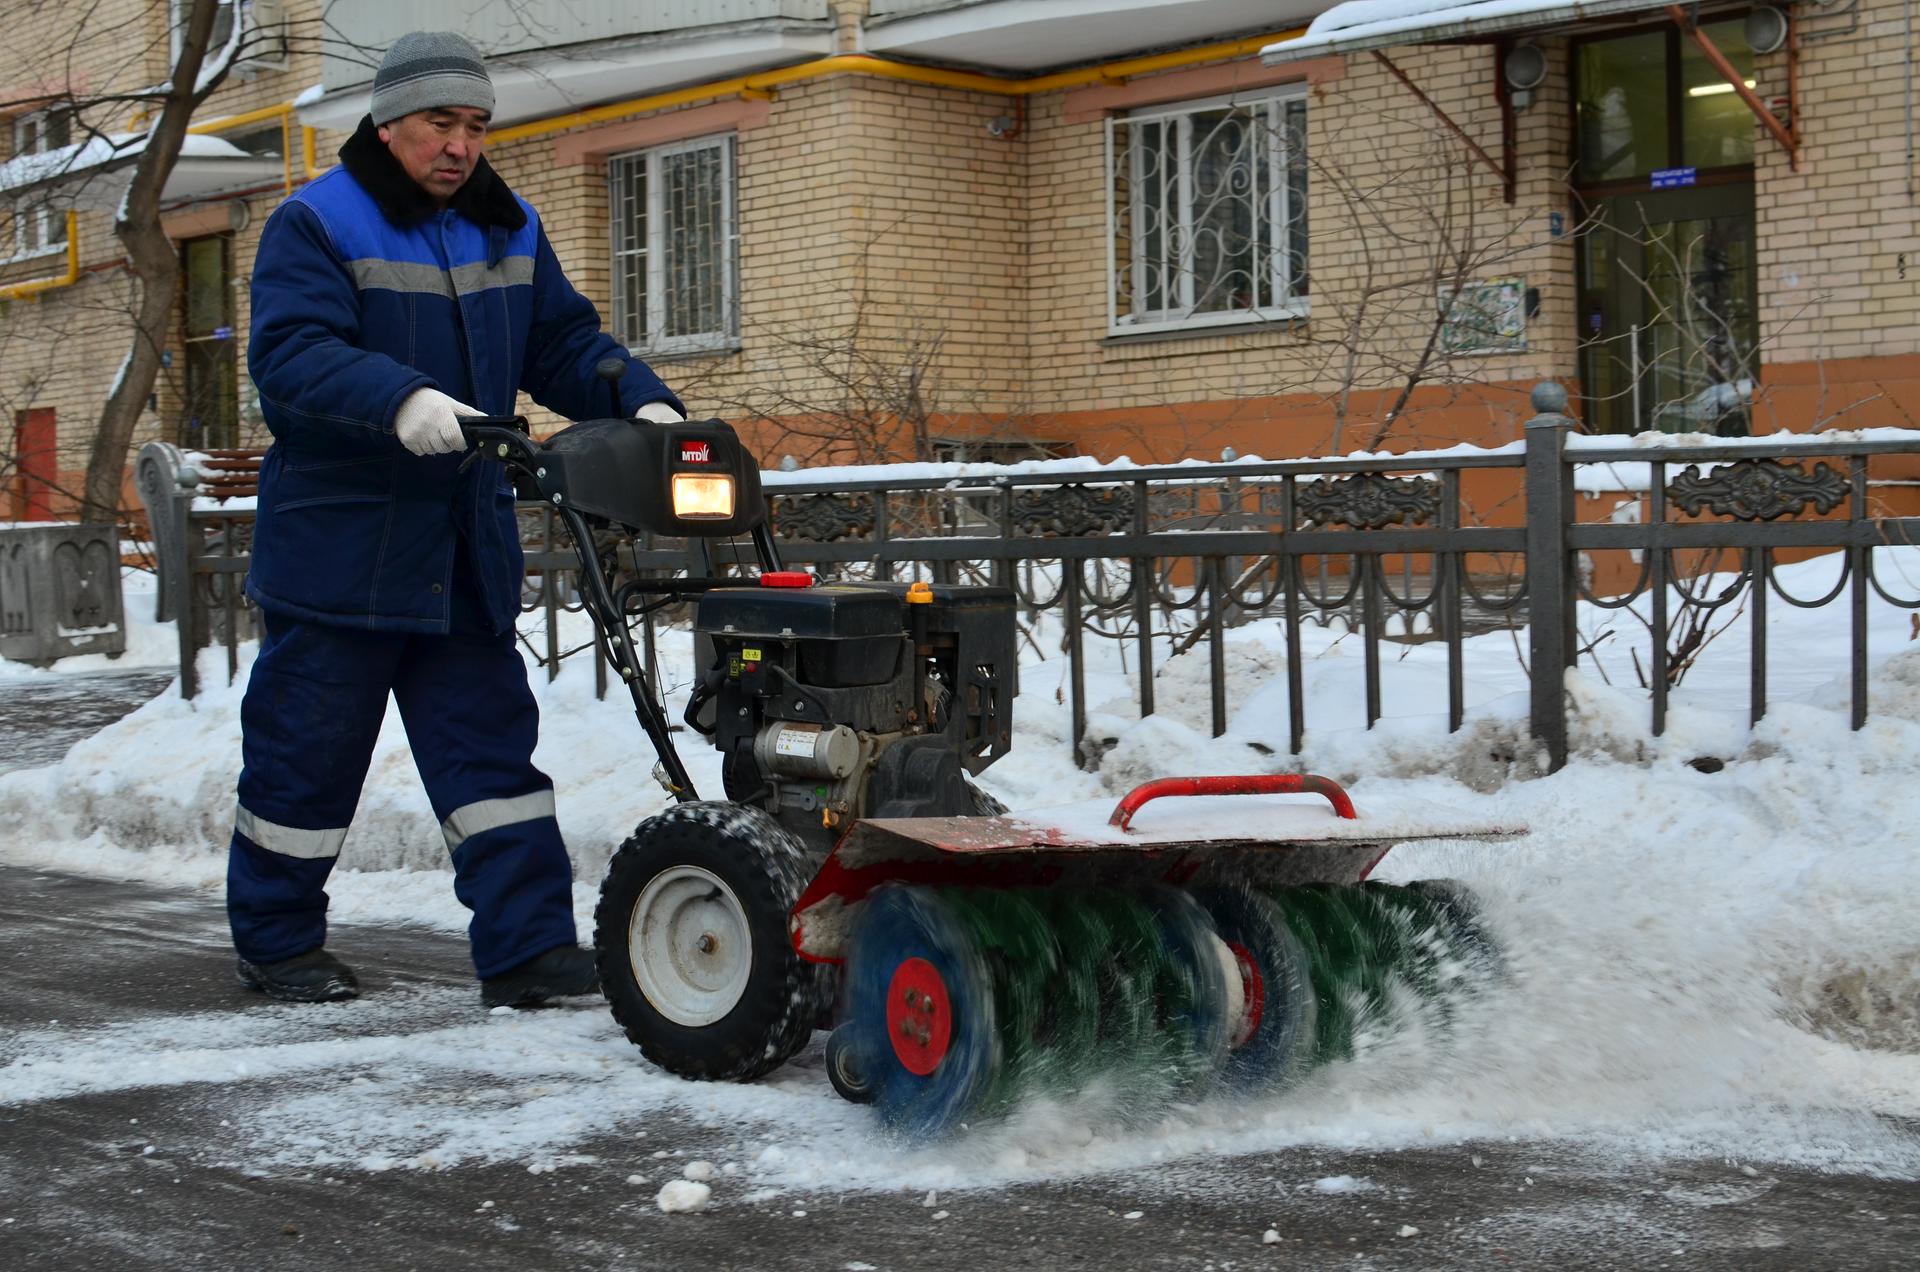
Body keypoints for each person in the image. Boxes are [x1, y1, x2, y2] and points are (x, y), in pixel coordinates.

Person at [230, 32, 685, 1007]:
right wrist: (401, 399)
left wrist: (636, 399)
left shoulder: (505, 225)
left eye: (475, 125)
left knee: (491, 759)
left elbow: (561, 340)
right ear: (389, 123)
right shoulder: (316, 222)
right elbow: (293, 355)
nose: (460, 144)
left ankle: (525, 950)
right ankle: (275, 940)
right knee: (305, 755)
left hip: (458, 545)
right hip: (343, 545)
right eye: (442, 122)